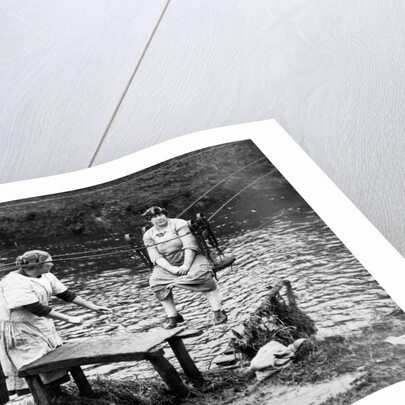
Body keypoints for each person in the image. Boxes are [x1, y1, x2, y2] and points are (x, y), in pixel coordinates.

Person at [0, 250, 111, 398]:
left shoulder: (46, 276)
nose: (52, 264)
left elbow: (66, 294)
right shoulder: (14, 282)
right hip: (20, 330)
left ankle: (60, 396)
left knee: (51, 360)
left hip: (40, 325)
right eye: (49, 261)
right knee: (36, 364)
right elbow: (36, 308)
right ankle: (50, 398)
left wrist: (93, 307)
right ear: (38, 265)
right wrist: (68, 318)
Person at [142, 206, 227, 329]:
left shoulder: (179, 224)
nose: (159, 218)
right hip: (167, 262)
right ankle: (173, 316)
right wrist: (172, 269)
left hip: (192, 256)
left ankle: (218, 310)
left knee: (202, 274)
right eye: (155, 217)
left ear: (165, 214)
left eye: (161, 215)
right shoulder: (148, 235)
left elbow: (189, 245)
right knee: (156, 282)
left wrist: (186, 265)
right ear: (150, 220)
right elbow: (155, 256)